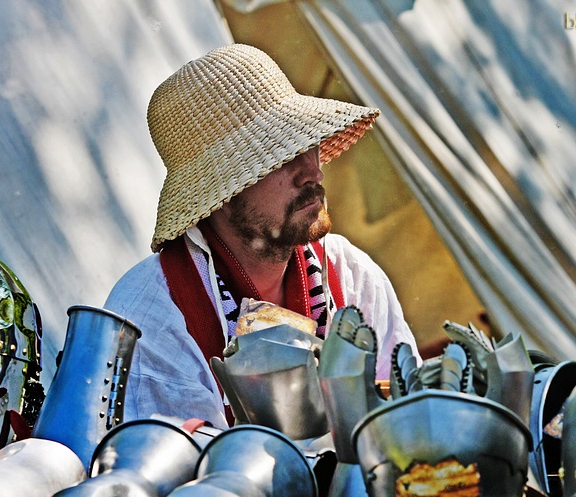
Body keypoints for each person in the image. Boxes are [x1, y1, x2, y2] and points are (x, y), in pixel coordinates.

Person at [104, 44, 419, 429]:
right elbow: (183, 477)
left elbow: (409, 421)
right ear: (220, 190)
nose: (313, 174)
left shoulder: (351, 275)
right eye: (282, 157)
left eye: (310, 146)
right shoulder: (151, 313)